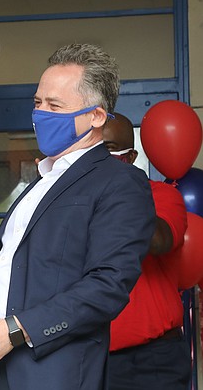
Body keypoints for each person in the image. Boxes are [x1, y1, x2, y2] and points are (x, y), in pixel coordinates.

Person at [0, 43, 156, 390]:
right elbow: (19, 273)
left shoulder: (119, 183)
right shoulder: (39, 182)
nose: (40, 114)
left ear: (96, 116)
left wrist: (14, 330)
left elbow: (107, 286)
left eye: (55, 106)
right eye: (38, 103)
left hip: (48, 374)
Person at [104, 113, 190, 389]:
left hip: (152, 361)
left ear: (128, 157)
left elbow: (159, 240)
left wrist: (118, 190)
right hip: (92, 356)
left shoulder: (161, 195)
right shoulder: (78, 200)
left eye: (106, 150)